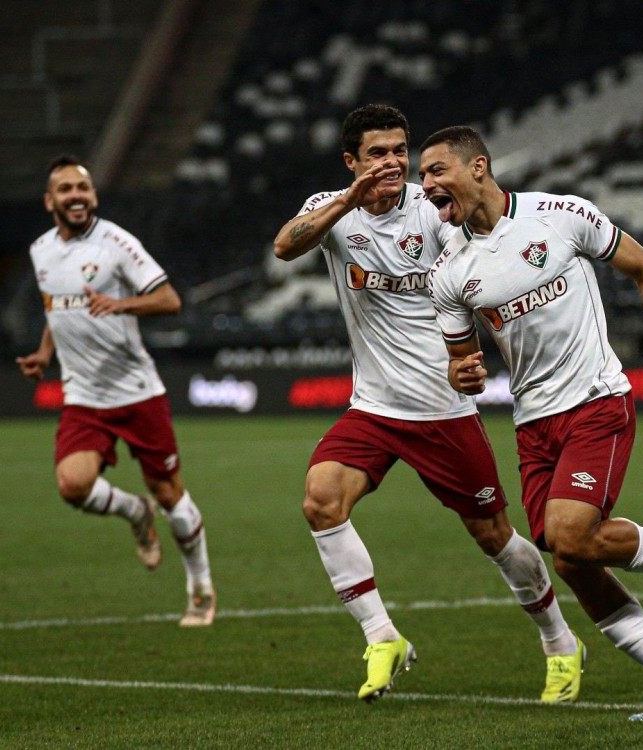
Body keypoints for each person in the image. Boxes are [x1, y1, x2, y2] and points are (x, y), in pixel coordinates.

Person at [272, 105, 584, 704]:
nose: (391, 163)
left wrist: (469, 354)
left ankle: (559, 640)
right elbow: (287, 246)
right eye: (377, 153)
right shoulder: (331, 209)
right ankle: (381, 634)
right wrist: (346, 201)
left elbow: (477, 270)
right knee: (321, 500)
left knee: (494, 536)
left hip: (442, 410)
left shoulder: (434, 212)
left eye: (399, 151)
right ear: (351, 162)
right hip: (373, 408)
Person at [422, 125, 643, 721]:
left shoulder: (560, 214)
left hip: (595, 401)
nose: (427, 184)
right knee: (569, 558)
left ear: (478, 167)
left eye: (437, 171)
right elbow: (462, 362)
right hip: (533, 421)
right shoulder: (449, 273)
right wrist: (463, 375)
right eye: (425, 175)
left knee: (568, 535)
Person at [17, 155, 215, 627]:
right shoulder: (40, 251)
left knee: (171, 493)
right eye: (65, 190)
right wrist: (45, 354)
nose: (76, 196)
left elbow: (169, 299)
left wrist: (120, 303)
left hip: (137, 392)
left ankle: (200, 588)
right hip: (84, 396)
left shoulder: (117, 243)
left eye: (82, 188)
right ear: (50, 201)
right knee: (73, 486)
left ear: (94, 196)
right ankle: (134, 512)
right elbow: (56, 310)